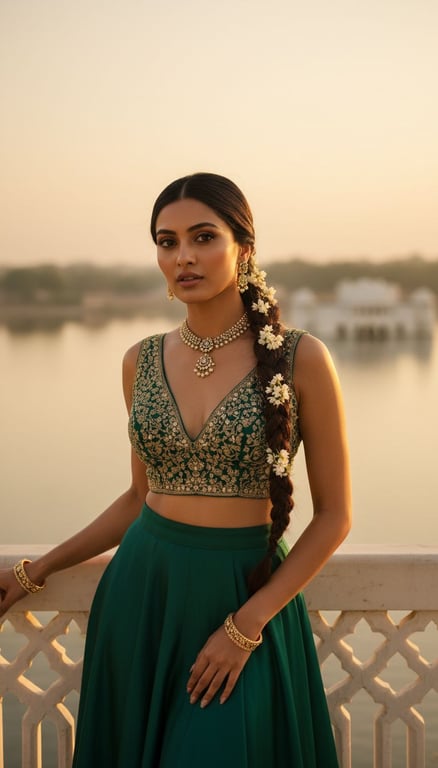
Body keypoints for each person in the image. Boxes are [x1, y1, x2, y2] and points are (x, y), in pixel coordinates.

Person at [0, 172, 351, 767]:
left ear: (244, 247)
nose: (183, 256)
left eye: (203, 237)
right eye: (166, 242)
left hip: (245, 596)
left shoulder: (301, 358)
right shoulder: (139, 361)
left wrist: (245, 626)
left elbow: (336, 517)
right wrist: (40, 569)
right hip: (144, 594)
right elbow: (139, 498)